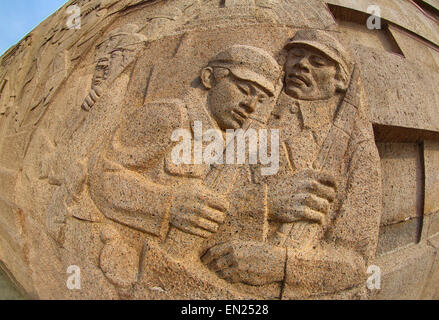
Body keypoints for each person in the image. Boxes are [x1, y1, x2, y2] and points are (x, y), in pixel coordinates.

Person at [202, 30, 382, 299]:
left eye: (318, 62)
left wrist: (279, 265)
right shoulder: (243, 112)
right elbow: (199, 195)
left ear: (340, 81)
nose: (302, 65)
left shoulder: (356, 150)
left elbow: (356, 264)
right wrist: (265, 202)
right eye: (296, 55)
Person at [87, 45, 282, 256]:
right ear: (209, 78)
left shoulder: (232, 143)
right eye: (244, 90)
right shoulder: (169, 116)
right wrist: (168, 204)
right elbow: (100, 174)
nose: (251, 106)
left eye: (260, 100)